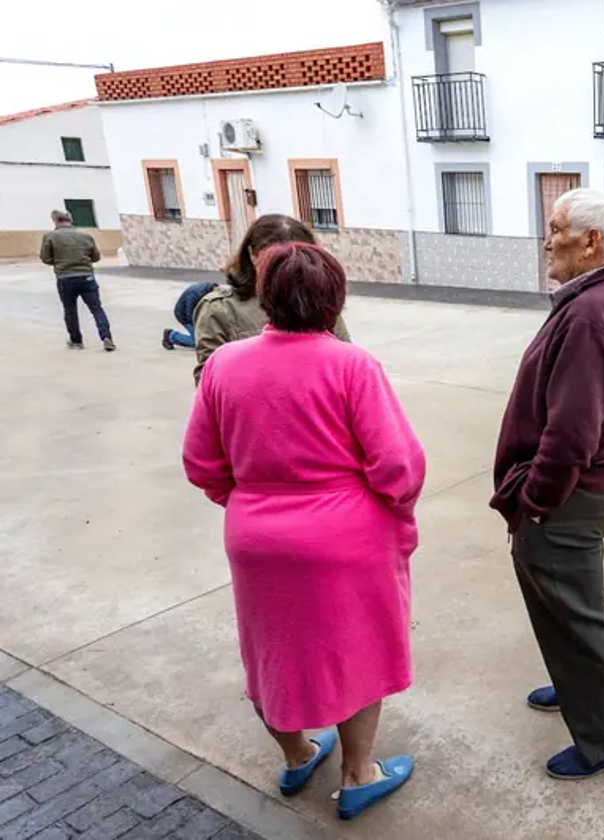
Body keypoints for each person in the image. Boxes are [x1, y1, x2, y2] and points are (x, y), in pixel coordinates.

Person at [182, 242, 425, 820]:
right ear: (334, 298)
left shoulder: (224, 365)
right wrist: (395, 509)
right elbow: (398, 466)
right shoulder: (351, 364)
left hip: (256, 538)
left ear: (265, 296)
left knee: (272, 652)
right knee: (357, 650)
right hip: (347, 537)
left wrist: (249, 503)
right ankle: (359, 773)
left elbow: (201, 462)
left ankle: (297, 755)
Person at [490, 188, 604, 780]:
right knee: (563, 607)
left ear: (591, 242)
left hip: (568, 499)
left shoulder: (590, 311)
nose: (547, 239)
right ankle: (576, 686)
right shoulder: (596, 299)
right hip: (576, 495)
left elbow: (574, 430)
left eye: (556, 228)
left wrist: (536, 500)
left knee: (578, 616)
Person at [192, 214, 350, 384]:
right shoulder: (219, 309)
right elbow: (209, 382)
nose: (286, 267)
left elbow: (346, 361)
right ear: (252, 255)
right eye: (274, 259)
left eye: (297, 257)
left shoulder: (318, 301)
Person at [40, 209, 115, 351]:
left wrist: (60, 262)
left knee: (70, 310)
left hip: (65, 278)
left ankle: (76, 341)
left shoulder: (50, 237)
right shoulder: (85, 237)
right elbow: (96, 257)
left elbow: (46, 258)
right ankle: (106, 337)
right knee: (96, 308)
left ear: (55, 221)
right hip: (86, 277)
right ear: (71, 220)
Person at [162, 280, 218, 350]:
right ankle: (170, 336)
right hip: (183, 315)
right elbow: (189, 314)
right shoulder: (196, 294)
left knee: (206, 338)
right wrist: (199, 329)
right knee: (199, 342)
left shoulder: (212, 290)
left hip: (196, 314)